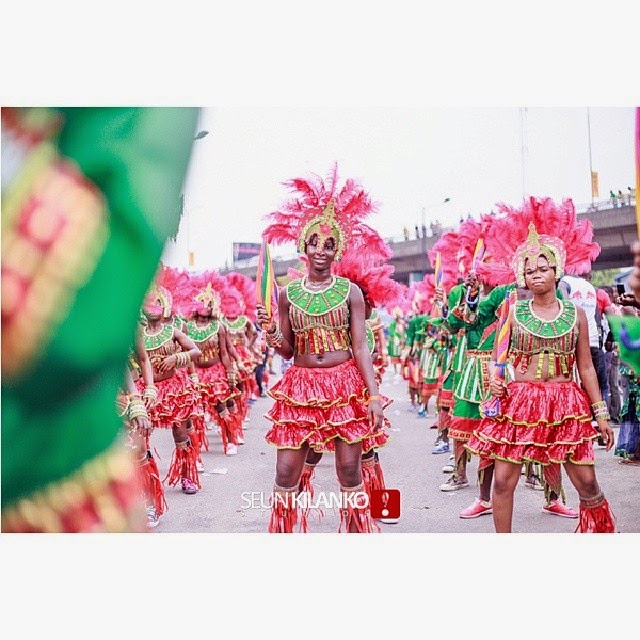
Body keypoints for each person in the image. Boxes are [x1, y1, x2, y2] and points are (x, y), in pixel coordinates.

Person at [1, 107, 199, 532]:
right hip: (105, 396)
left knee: (149, 445)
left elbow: (113, 346)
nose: (157, 309)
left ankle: (177, 479)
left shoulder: (155, 325)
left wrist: (152, 386)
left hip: (52, 474)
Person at [258, 165, 389, 533]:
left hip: (345, 384)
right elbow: (286, 350)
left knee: (349, 468)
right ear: (303, 245)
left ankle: (355, 532)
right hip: (301, 385)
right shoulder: (287, 294)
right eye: (314, 242)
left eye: (329, 244)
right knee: (286, 470)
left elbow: (361, 346)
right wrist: (270, 333)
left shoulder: (351, 292)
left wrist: (374, 397)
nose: (320, 249)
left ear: (337, 250)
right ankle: (283, 533)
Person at [466, 223, 616, 532]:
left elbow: (586, 367)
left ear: (556, 271)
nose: (536, 273)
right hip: (519, 402)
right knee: (505, 481)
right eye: (529, 269)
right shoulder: (512, 310)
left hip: (565, 403)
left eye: (543, 268)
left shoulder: (575, 313)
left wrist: (600, 413)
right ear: (522, 275)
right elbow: (498, 358)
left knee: (587, 482)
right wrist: (496, 379)